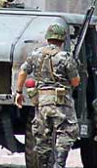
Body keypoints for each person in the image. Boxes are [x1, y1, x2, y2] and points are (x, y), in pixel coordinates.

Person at [15, 23, 80, 168]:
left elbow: (23, 72)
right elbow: (75, 82)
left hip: (41, 102)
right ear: (62, 40)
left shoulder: (36, 54)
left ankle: (43, 165)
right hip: (61, 103)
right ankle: (59, 164)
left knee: (42, 135)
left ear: (47, 38)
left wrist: (18, 92)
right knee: (66, 131)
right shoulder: (65, 57)